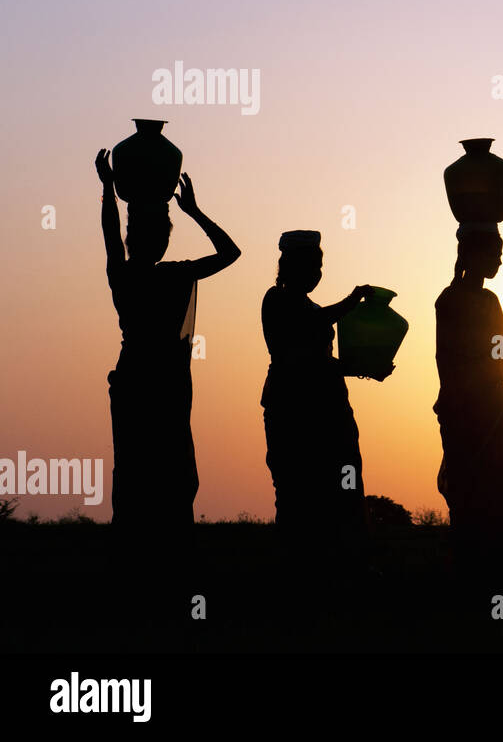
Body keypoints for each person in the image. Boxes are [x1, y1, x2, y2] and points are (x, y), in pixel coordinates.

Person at [96, 152, 240, 533]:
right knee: (171, 473)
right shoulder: (177, 275)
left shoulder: (123, 275)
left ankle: (136, 550)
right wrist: (193, 210)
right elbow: (231, 253)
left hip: (133, 383)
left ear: (132, 240)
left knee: (133, 470)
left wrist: (108, 189)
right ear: (162, 242)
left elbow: (110, 234)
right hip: (167, 386)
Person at [260, 230, 375, 566]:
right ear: (292, 267)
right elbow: (306, 346)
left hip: (330, 411)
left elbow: (323, 360)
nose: (318, 273)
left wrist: (360, 368)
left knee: (341, 489)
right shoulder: (277, 300)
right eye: (312, 265)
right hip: (292, 411)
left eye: (320, 266)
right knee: (298, 492)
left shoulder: (311, 306)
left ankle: (345, 566)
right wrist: (352, 300)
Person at [434, 224, 503, 595]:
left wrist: (496, 368)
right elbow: (450, 357)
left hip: (492, 405)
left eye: (500, 254)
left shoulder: (490, 301)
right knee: (472, 497)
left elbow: (499, 342)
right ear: (474, 256)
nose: (499, 261)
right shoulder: (451, 300)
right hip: (466, 411)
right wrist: (484, 375)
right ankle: (473, 588)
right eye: (494, 254)